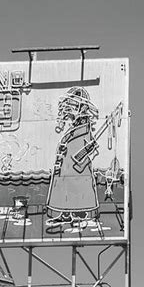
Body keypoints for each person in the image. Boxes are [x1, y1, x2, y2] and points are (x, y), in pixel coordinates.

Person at [46, 87, 100, 222]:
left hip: (77, 165)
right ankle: (66, 214)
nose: (69, 108)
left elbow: (88, 143)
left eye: (73, 105)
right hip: (67, 165)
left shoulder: (84, 126)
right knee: (66, 187)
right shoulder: (74, 126)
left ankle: (79, 215)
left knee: (79, 188)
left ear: (82, 107)